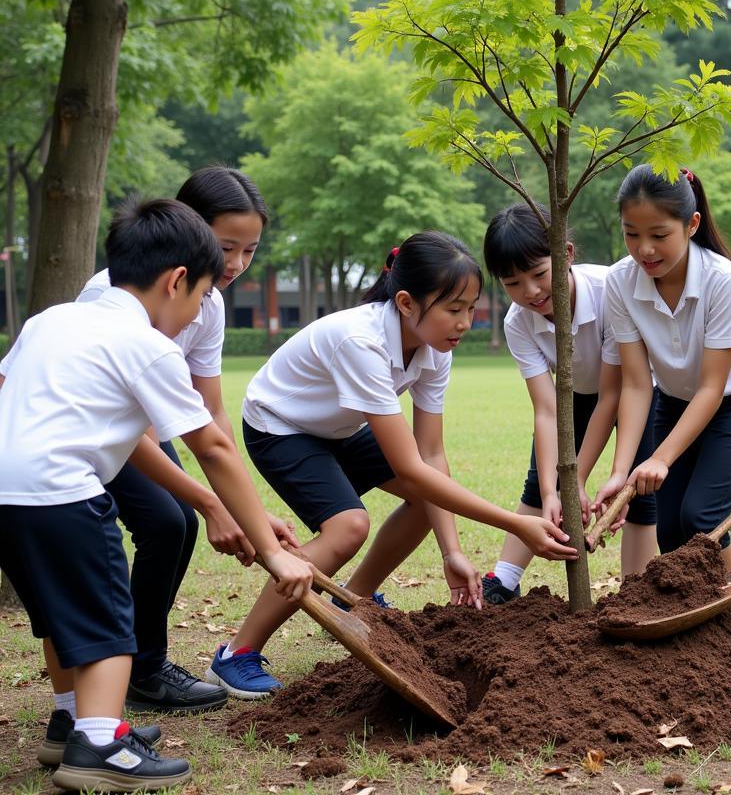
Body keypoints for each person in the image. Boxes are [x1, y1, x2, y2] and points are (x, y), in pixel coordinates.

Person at [0, 198, 313, 793]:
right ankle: (100, 745)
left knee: (61, 615)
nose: (197, 310)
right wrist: (274, 555)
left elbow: (9, 387)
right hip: (64, 493)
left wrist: (224, 512)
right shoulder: (148, 346)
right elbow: (213, 448)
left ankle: (68, 721)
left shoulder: (51, 321)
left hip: (6, 492)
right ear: (176, 281)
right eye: (200, 296)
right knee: (108, 626)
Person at [206, 231, 578, 698]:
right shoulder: (360, 342)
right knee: (347, 527)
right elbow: (412, 466)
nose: (465, 323)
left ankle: (352, 602)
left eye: (471, 308)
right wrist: (515, 524)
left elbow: (431, 457)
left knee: (428, 498)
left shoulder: (433, 348)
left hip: (336, 429)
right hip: (279, 427)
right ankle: (236, 654)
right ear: (406, 302)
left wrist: (451, 552)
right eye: (453, 309)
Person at [76, 166, 272, 715]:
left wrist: (242, 505)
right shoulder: (113, 293)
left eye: (250, 250)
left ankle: (140, 666)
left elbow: (209, 409)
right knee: (170, 520)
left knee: (174, 521)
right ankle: (135, 673)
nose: (236, 265)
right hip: (93, 429)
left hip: (136, 426)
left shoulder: (208, 302)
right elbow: (119, 413)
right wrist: (210, 501)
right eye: (226, 247)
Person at [593, 165, 731, 569]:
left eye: (659, 235)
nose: (644, 250)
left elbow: (712, 388)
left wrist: (660, 458)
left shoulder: (721, 279)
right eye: (631, 234)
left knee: (700, 518)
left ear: (692, 225)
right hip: (672, 403)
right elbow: (638, 385)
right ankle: (691, 620)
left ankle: (723, 619)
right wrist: (622, 470)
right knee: (669, 528)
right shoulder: (619, 282)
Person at [480, 204, 657, 604]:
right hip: (572, 396)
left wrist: (576, 480)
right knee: (537, 482)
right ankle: (504, 580)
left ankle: (636, 595)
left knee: (639, 491)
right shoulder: (517, 322)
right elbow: (545, 409)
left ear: (567, 255)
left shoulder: (609, 290)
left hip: (637, 389)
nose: (531, 292)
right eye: (513, 283)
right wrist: (551, 491)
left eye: (540, 274)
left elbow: (613, 394)